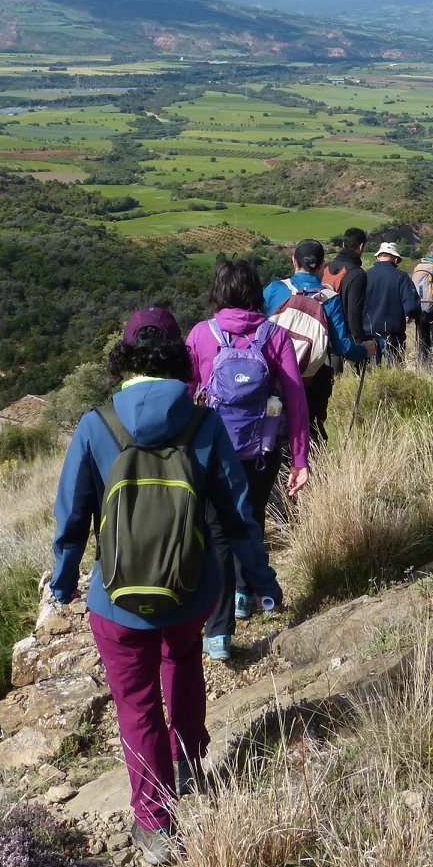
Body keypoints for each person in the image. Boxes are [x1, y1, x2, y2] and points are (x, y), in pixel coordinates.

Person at [49, 308, 281, 866]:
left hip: (117, 599)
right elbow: (239, 512)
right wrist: (261, 580)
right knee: (183, 662)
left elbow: (71, 518)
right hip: (189, 587)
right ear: (179, 354)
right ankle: (190, 760)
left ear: (124, 358)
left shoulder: (96, 425)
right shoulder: (204, 424)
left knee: (135, 704)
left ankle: (155, 825)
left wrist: (62, 582)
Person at [186, 259, 309, 663]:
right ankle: (245, 595)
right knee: (251, 520)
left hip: (213, 455)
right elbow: (295, 400)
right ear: (256, 291)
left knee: (217, 533)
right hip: (262, 451)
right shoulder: (275, 336)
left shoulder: (202, 336)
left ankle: (219, 632)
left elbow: (187, 397)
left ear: (218, 291)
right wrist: (300, 458)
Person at [262, 238, 374, 441]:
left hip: (272, 378)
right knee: (309, 431)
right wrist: (366, 350)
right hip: (309, 380)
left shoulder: (275, 289)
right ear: (322, 265)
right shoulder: (329, 298)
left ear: (293, 261)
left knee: (271, 432)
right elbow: (343, 348)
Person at [362, 241, 419, 364]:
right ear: (396, 259)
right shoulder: (402, 277)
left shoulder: (365, 276)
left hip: (368, 333)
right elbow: (411, 306)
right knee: (395, 371)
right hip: (393, 333)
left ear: (377, 257)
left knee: (370, 374)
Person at [321, 226, 370, 348]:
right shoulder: (357, 274)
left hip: (321, 332)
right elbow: (354, 311)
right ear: (361, 246)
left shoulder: (325, 268)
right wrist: (359, 341)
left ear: (343, 244)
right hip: (344, 337)